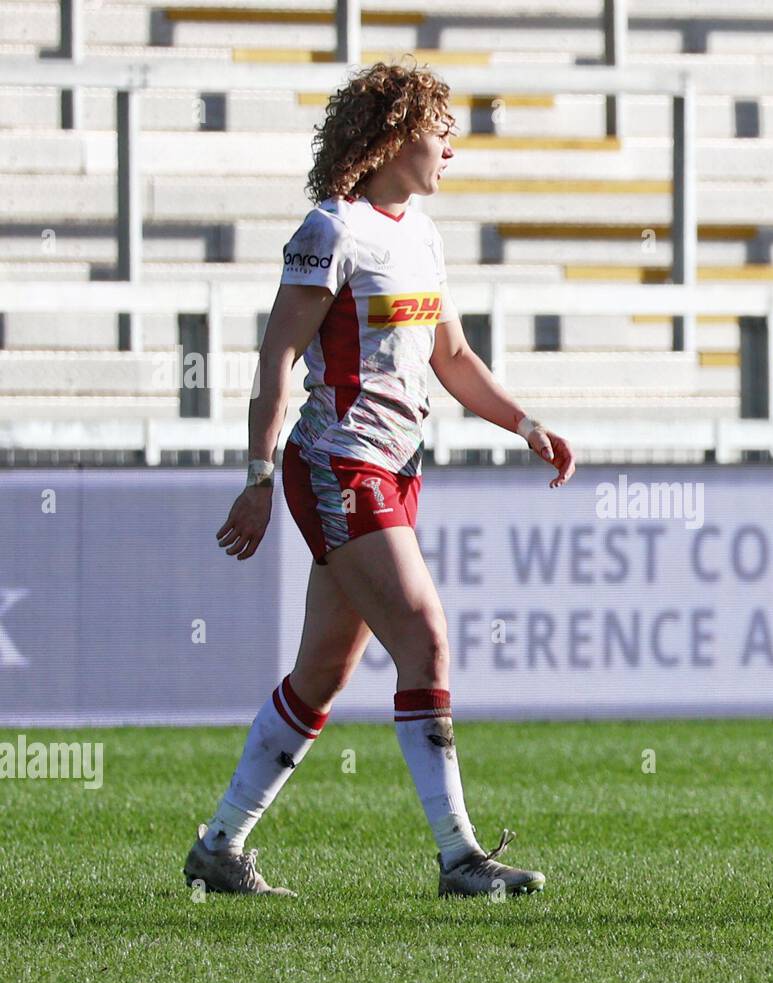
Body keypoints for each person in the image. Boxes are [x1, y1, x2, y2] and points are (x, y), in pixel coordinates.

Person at [184, 62, 575, 899]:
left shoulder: (421, 233)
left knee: (321, 673)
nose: (450, 152)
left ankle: (220, 847)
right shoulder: (332, 230)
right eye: (441, 133)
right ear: (397, 136)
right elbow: (278, 356)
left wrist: (526, 424)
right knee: (426, 634)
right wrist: (259, 470)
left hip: (397, 468)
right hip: (338, 464)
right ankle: (460, 856)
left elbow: (454, 357)